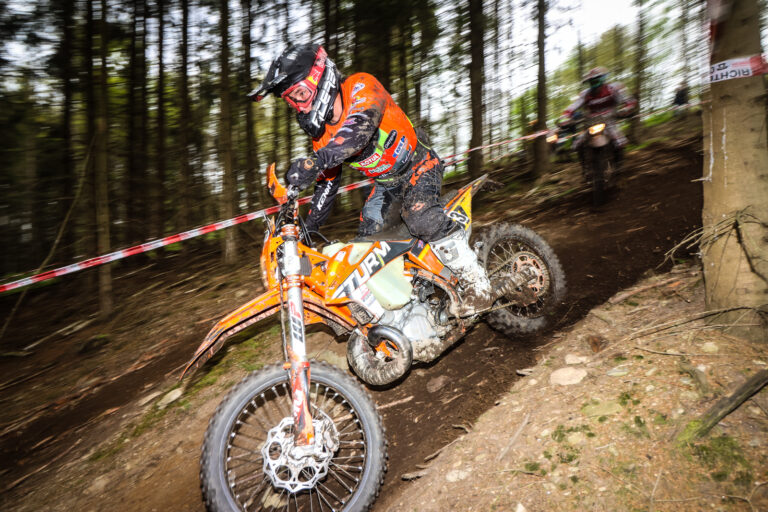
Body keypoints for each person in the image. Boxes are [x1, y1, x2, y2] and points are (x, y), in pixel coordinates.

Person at [248, 43, 506, 314]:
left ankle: (476, 282)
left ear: (320, 76)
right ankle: (409, 304)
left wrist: (317, 160)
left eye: (299, 94)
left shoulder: (360, 85)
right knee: (364, 251)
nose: (299, 107)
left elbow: (359, 127)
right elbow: (328, 183)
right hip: (386, 185)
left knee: (420, 216)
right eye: (291, 102)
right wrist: (309, 228)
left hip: (419, 163)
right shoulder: (321, 137)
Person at [559, 66, 637, 168]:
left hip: (609, 120)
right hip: (591, 121)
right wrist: (565, 116)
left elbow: (628, 100)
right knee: (578, 143)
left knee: (619, 141)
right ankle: (584, 169)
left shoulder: (613, 88)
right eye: (592, 82)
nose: (594, 85)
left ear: (603, 79)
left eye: (597, 81)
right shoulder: (585, 94)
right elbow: (574, 105)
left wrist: (627, 108)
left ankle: (618, 164)